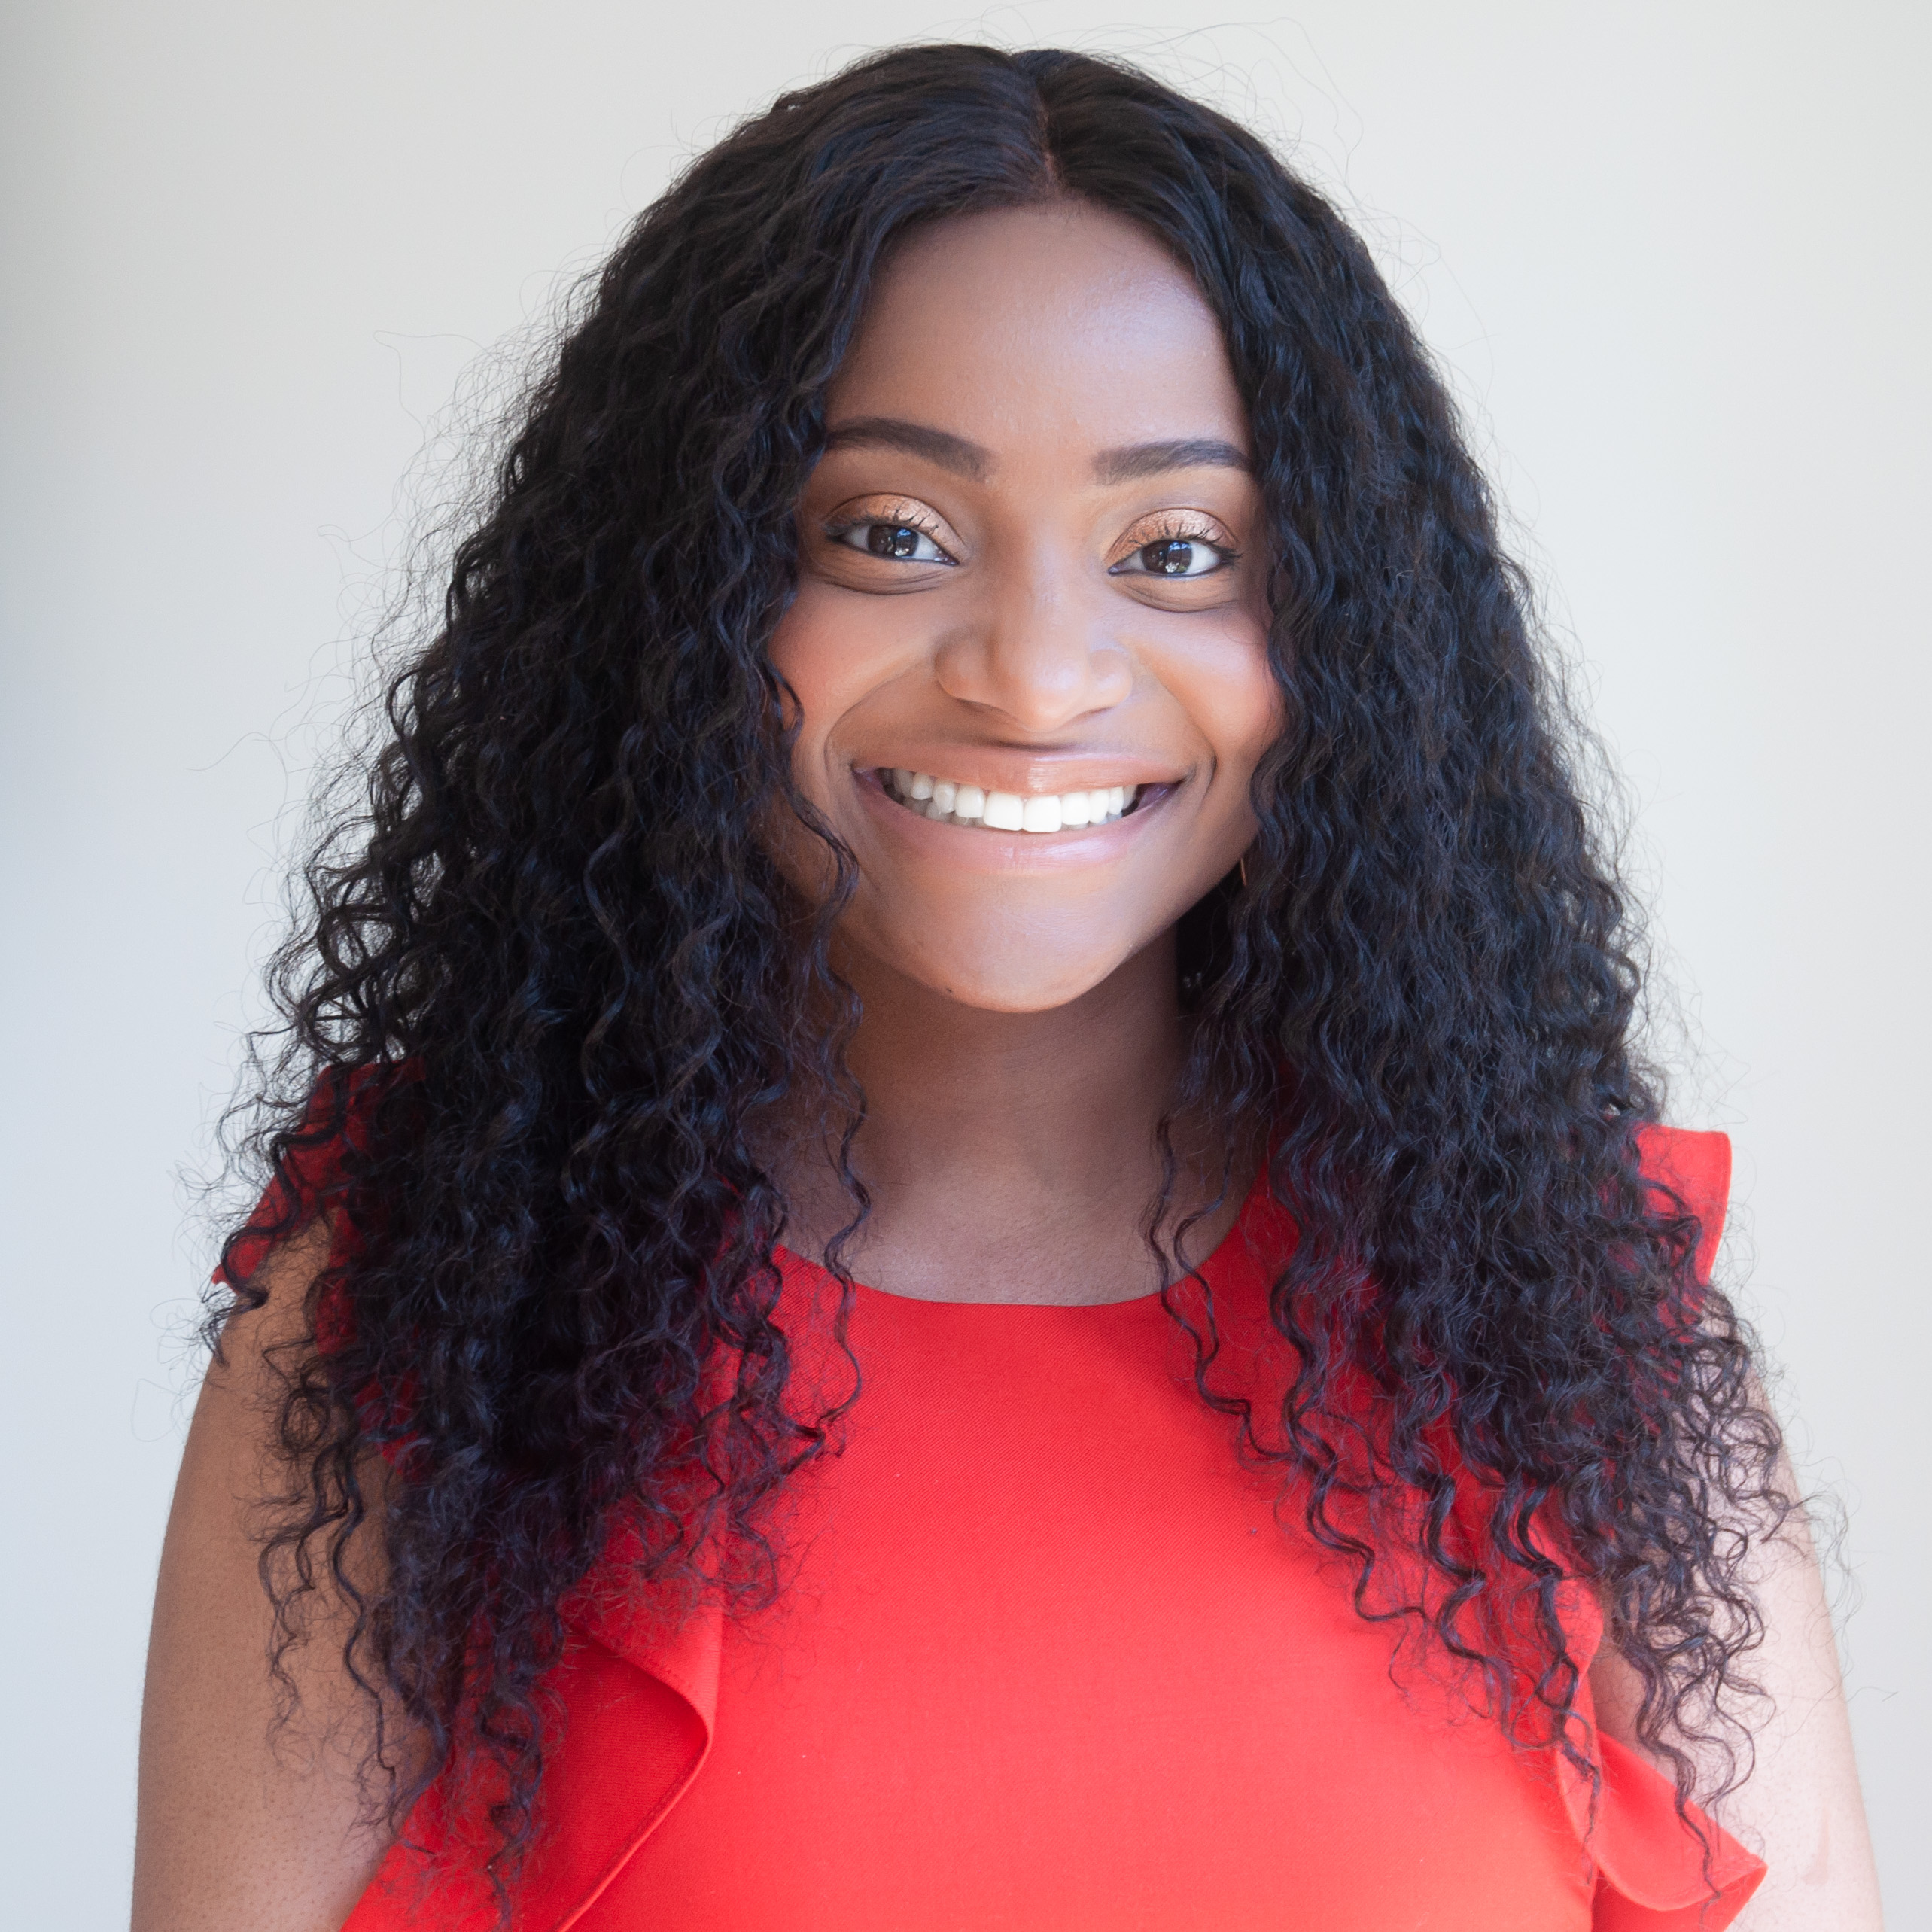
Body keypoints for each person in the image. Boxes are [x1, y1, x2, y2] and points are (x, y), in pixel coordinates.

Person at [132, 43, 1883, 1932]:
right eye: (891, 534)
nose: (1038, 677)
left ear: (1348, 637)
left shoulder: (1572, 1328)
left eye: (1178, 553)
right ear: (678, 593)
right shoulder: (418, 1330)